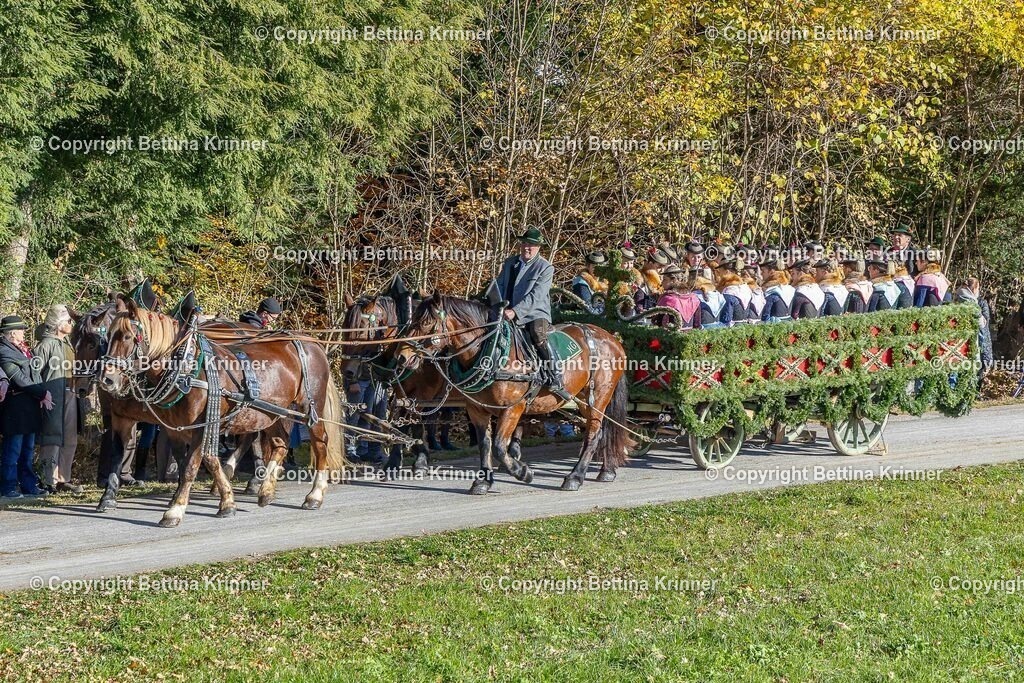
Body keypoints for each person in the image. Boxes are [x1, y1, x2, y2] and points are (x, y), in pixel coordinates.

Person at [496, 227, 572, 401]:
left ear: (538, 248)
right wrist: (492, 303)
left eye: (531, 245)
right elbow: (499, 285)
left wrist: (516, 312)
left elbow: (536, 296)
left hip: (535, 313)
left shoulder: (545, 268)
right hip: (507, 311)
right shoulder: (510, 263)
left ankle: (555, 376)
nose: (526, 247)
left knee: (537, 333)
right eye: (524, 243)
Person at [0, 316, 52, 499]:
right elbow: (19, 379)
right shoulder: (4, 351)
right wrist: (42, 393)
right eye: (21, 329)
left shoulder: (23, 350)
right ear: (12, 333)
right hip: (15, 408)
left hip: (30, 406)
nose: (24, 332)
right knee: (12, 450)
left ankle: (29, 486)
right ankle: (8, 487)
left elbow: (34, 374)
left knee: (27, 450)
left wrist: (42, 391)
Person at [34, 305, 83, 494]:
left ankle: (64, 479)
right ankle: (48, 480)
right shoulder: (45, 345)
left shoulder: (68, 344)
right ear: (58, 323)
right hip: (52, 397)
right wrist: (40, 395)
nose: (71, 324)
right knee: (52, 438)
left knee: (70, 439)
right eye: (68, 321)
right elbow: (34, 373)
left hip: (71, 394)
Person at [955, 278, 993, 387]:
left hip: (976, 340)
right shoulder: (971, 303)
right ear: (975, 288)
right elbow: (983, 323)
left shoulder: (979, 302)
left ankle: (973, 390)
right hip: (975, 341)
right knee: (974, 367)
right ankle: (970, 390)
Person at [656, 265, 701, 329]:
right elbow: (697, 325)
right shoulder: (694, 299)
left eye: (665, 279)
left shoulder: (667, 299)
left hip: (672, 336)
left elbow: (659, 324)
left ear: (673, 280)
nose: (662, 282)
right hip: (690, 336)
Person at [714, 258, 751, 324]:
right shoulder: (746, 288)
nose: (719, 274)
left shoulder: (728, 293)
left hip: (732, 330)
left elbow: (726, 319)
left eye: (720, 271)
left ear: (727, 272)